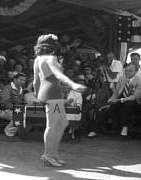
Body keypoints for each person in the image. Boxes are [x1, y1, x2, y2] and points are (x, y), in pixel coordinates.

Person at [33, 34, 87, 167]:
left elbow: (36, 81)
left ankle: (53, 154)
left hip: (48, 93)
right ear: (53, 46)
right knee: (52, 125)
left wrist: (38, 95)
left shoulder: (38, 59)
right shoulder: (51, 58)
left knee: (62, 123)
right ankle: (48, 155)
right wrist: (73, 85)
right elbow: (58, 75)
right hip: (53, 93)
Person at [107, 63, 141, 136]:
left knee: (127, 105)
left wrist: (120, 100)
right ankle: (116, 127)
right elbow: (116, 92)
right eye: (126, 71)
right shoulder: (122, 78)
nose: (127, 72)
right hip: (123, 98)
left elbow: (135, 96)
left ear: (136, 71)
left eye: (130, 71)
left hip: (137, 101)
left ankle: (125, 127)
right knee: (112, 108)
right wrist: (112, 99)